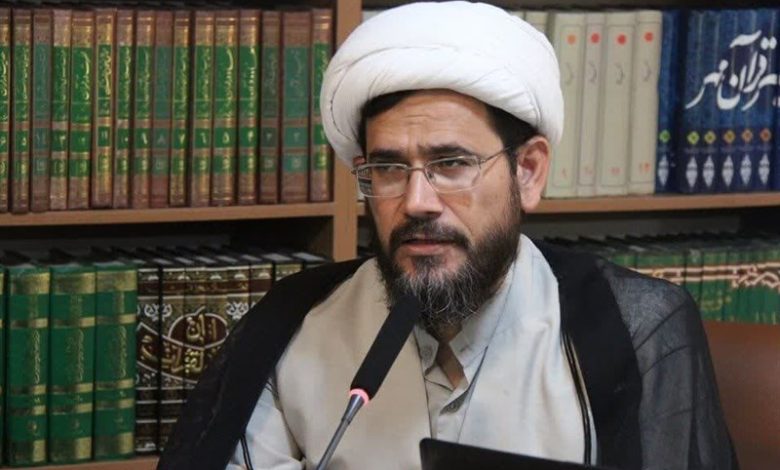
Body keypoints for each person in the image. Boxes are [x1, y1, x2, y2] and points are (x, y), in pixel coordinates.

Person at [158, 2, 736, 469]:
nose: (416, 202)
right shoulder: (293, 324)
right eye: (389, 168)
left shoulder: (632, 327)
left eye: (452, 163)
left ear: (528, 172)